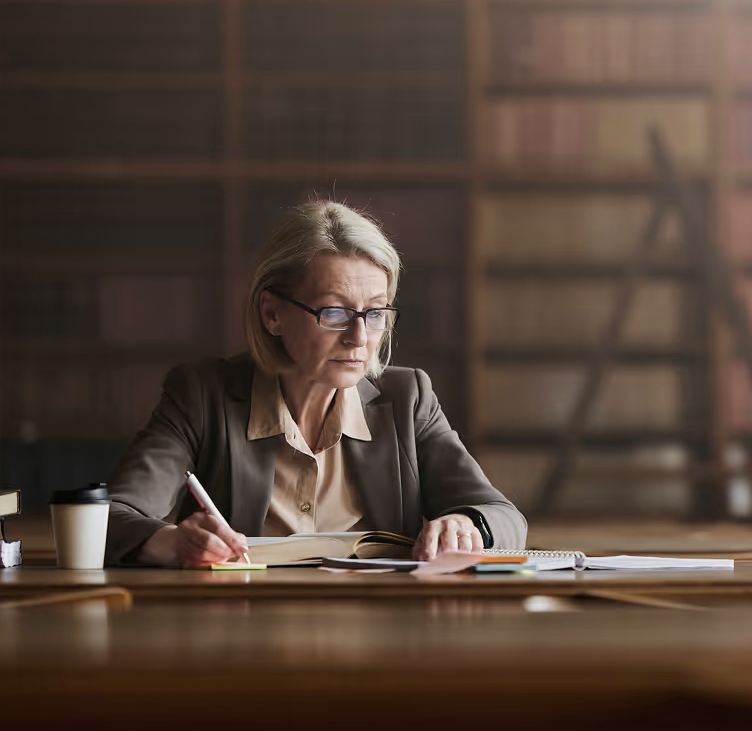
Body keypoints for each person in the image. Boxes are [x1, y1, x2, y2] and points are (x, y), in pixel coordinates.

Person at [106, 200, 526, 566]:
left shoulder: (408, 399)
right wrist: (169, 542)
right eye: (335, 313)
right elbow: (110, 517)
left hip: (387, 631)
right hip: (241, 629)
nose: (359, 338)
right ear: (272, 314)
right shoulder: (202, 397)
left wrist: (468, 524)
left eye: (375, 313)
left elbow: (504, 517)